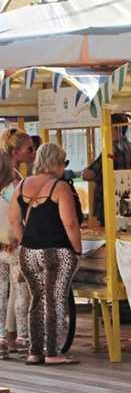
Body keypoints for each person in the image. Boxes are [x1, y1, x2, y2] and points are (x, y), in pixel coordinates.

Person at [9, 143, 81, 365]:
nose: (64, 167)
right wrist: (77, 249)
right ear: (56, 163)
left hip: (28, 253)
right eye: (64, 162)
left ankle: (35, 352)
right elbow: (70, 223)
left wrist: (28, 241)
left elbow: (14, 221)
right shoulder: (60, 187)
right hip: (57, 251)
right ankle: (52, 352)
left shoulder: (22, 185)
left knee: (37, 300)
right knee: (55, 300)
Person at [0, 128, 34, 356]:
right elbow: (18, 217)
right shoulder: (17, 183)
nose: (32, 153)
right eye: (29, 149)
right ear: (15, 152)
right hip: (13, 244)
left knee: (2, 291)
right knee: (21, 289)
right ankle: (22, 336)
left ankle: (2, 338)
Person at [82, 114, 131, 225]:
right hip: (128, 202)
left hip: (109, 203)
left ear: (115, 128)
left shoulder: (111, 150)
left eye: (107, 126)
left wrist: (88, 174)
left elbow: (88, 174)